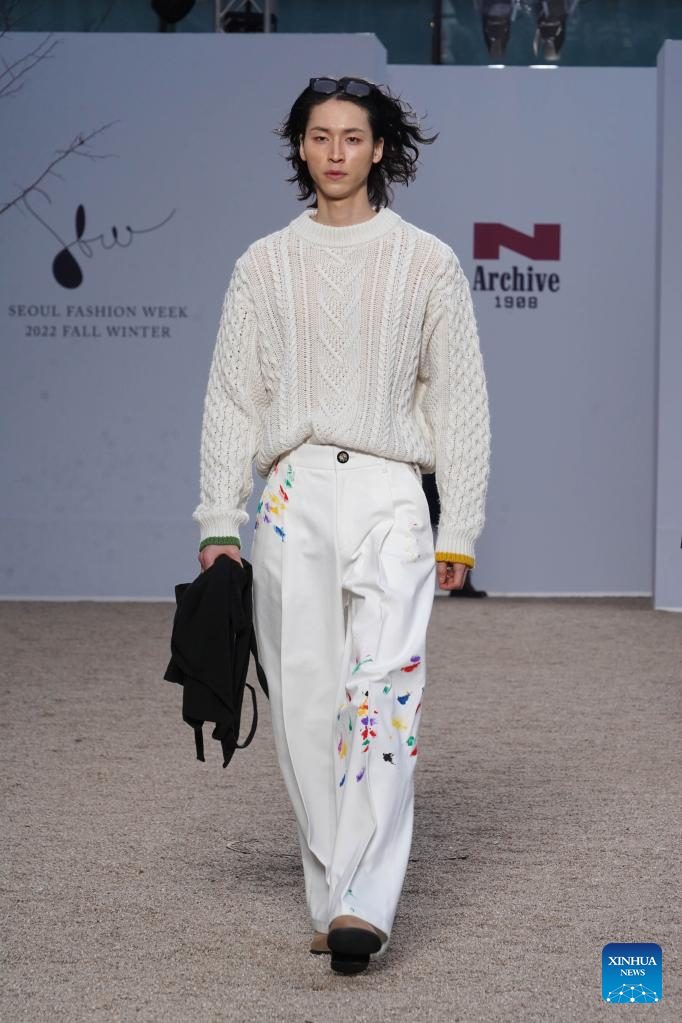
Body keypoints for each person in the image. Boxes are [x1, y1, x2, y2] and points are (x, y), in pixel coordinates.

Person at [193, 75, 491, 974]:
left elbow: (459, 399)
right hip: (293, 493)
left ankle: (366, 899)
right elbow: (233, 399)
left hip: (393, 492)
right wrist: (219, 521)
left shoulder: (428, 262)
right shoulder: (262, 265)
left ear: (379, 148)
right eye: (319, 136)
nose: (335, 152)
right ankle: (335, 893)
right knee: (305, 704)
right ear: (299, 147)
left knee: (385, 691)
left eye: (352, 137)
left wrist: (460, 524)